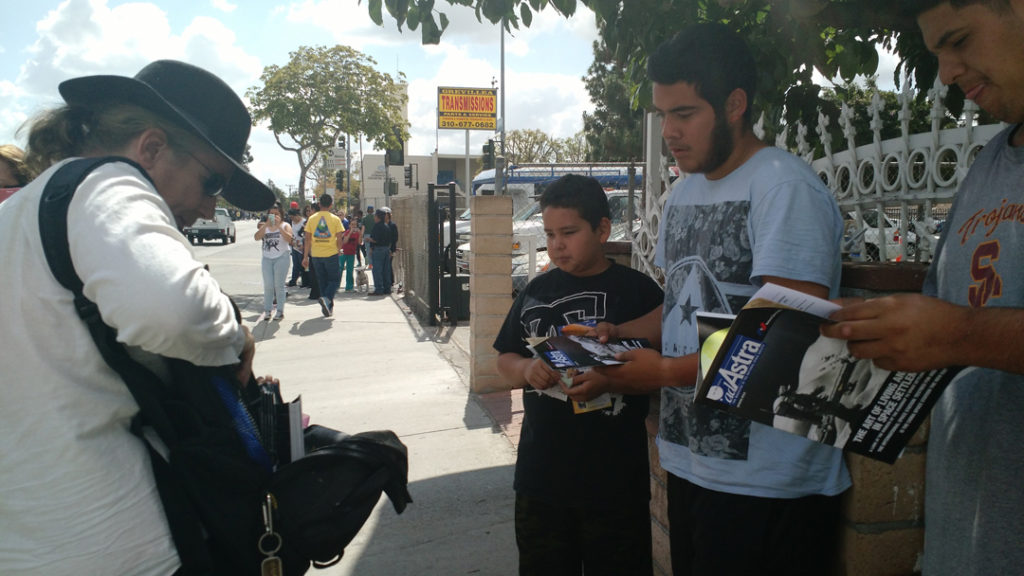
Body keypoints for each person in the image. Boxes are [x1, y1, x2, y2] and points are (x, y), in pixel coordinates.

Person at [591, 24, 850, 576]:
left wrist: (662, 373)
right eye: (663, 116)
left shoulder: (784, 187)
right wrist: (618, 336)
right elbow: (681, 303)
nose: (670, 133)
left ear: (735, 104)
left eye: (684, 114)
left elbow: (786, 335)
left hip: (770, 484)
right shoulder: (685, 190)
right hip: (691, 462)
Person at [0, 59, 275, 575]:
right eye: (211, 180)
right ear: (150, 148)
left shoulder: (19, 214)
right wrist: (235, 335)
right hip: (123, 546)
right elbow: (174, 312)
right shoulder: (108, 183)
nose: (210, 206)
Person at [821, 2, 1024, 573]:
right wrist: (865, 325)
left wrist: (963, 334)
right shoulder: (989, 162)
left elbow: (958, 331)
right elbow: (942, 318)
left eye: (959, 40)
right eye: (937, 53)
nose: (948, 73)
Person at [493, 174, 664, 576]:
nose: (556, 244)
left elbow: (662, 348)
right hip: (541, 478)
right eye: (550, 234)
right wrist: (526, 369)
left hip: (616, 481)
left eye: (569, 232)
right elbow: (504, 358)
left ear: (602, 230)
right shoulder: (535, 292)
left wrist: (616, 350)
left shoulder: (635, 290)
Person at [303, 193, 344, 317]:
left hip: (316, 254)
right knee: (335, 280)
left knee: (322, 281)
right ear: (331, 205)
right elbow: (339, 237)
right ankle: (326, 300)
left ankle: (328, 308)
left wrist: (305, 256)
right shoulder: (335, 219)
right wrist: (339, 249)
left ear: (319, 204)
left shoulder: (312, 218)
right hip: (331, 253)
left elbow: (307, 239)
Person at [255, 203, 293, 321]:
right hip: (267, 258)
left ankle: (280, 311)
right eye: (271, 214)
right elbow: (256, 237)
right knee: (268, 285)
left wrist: (279, 227)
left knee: (279, 286)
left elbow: (289, 239)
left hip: (282, 257)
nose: (274, 216)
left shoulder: (285, 225)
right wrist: (266, 224)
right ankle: (267, 310)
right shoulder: (265, 227)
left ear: (281, 215)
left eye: (276, 214)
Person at [368, 208, 392, 295]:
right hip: (386, 249)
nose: (374, 217)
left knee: (377, 270)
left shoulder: (377, 226)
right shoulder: (386, 226)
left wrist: (369, 239)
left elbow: (375, 239)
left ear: (378, 217)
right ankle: (387, 288)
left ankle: (379, 289)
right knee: (386, 270)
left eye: (375, 215)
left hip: (378, 250)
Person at [286, 206, 307, 288]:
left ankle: (305, 281)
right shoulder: (291, 223)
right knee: (296, 264)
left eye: (293, 217)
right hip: (294, 245)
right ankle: (293, 280)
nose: (292, 219)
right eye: (291, 217)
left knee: (303, 265)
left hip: (303, 246)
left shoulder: (304, 222)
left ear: (297, 215)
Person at [339, 217, 361, 292]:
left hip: (351, 253)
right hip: (343, 252)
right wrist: (350, 232)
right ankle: (336, 286)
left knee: (350, 270)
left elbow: (360, 242)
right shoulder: (347, 232)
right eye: (352, 224)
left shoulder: (357, 233)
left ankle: (349, 287)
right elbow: (345, 241)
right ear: (349, 225)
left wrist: (361, 233)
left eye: (355, 225)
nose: (353, 226)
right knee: (340, 268)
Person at [383, 206, 398, 293]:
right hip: (383, 249)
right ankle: (387, 281)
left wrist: (392, 250)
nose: (385, 216)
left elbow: (395, 238)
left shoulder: (392, 225)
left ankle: (390, 282)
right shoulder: (381, 225)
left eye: (386, 214)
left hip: (390, 249)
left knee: (388, 265)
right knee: (385, 265)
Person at [362, 204, 376, 269]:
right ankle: (375, 263)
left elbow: (363, 228)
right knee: (375, 249)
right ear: (373, 211)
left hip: (366, 235)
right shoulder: (376, 218)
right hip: (374, 235)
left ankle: (370, 264)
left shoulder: (364, 219)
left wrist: (361, 237)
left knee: (368, 250)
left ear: (367, 211)